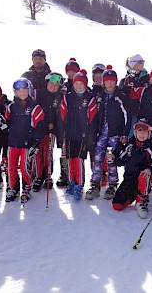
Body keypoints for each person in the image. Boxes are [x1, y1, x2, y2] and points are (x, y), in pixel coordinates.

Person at [86, 65, 131, 201]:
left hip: (114, 133)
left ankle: (112, 184)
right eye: (107, 80)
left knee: (111, 159)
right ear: (103, 82)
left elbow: (127, 116)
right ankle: (95, 184)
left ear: (116, 82)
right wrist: (93, 133)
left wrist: (124, 134)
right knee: (98, 158)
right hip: (101, 133)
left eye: (112, 81)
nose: (110, 83)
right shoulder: (99, 96)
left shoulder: (120, 97)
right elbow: (93, 116)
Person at [56, 69, 98, 200]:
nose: (78, 86)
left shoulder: (89, 98)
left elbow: (93, 118)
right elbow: (61, 116)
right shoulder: (67, 97)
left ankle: (79, 185)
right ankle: (71, 182)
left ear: (85, 84)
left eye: (81, 84)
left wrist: (91, 135)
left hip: (82, 135)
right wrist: (60, 134)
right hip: (69, 134)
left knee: (78, 160)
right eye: (76, 83)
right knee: (69, 159)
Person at [110, 118, 152, 218]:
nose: (142, 134)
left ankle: (142, 199)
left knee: (143, 176)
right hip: (130, 179)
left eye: (145, 132)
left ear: (149, 133)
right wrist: (114, 156)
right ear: (135, 132)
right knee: (117, 205)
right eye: (139, 131)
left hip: (143, 179)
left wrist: (150, 169)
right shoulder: (130, 145)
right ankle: (134, 194)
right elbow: (122, 160)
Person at [5, 78, 45, 203]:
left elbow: (40, 126)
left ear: (30, 90)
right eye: (19, 90)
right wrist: (2, 125)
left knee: (25, 168)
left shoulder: (35, 107)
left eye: (24, 90)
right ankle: (13, 188)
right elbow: (7, 122)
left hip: (27, 144)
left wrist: (36, 141)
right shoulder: (11, 107)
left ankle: (26, 188)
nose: (21, 92)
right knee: (11, 167)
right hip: (12, 143)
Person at [32, 72, 64, 191]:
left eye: (56, 85)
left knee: (48, 154)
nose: (53, 86)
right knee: (38, 154)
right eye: (51, 83)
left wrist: (54, 126)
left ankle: (48, 176)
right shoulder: (38, 93)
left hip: (50, 131)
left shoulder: (59, 96)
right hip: (38, 129)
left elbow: (60, 115)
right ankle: (38, 176)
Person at [56, 58, 81, 187]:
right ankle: (64, 175)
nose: (71, 73)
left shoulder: (81, 84)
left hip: (78, 123)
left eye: (74, 71)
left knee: (77, 152)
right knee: (65, 150)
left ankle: (76, 175)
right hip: (65, 122)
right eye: (69, 71)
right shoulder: (63, 86)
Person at [119, 54, 149, 136]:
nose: (142, 64)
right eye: (140, 62)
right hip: (130, 113)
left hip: (144, 113)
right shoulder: (126, 80)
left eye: (143, 62)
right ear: (133, 64)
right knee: (131, 136)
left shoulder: (147, 78)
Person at [89, 63, 109, 187]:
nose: (98, 80)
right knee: (93, 152)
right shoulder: (90, 91)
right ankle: (96, 174)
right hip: (92, 126)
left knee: (105, 151)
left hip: (105, 126)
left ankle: (105, 173)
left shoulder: (107, 92)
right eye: (95, 77)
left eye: (100, 77)